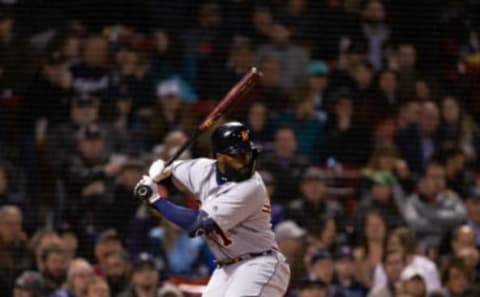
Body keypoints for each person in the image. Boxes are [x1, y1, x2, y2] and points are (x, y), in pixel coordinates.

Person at [134, 121, 291, 296]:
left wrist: (156, 200)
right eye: (238, 156)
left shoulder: (251, 187)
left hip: (259, 263)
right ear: (218, 157)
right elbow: (170, 173)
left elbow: (198, 224)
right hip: (226, 268)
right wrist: (160, 170)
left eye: (248, 155)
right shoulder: (201, 169)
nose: (246, 162)